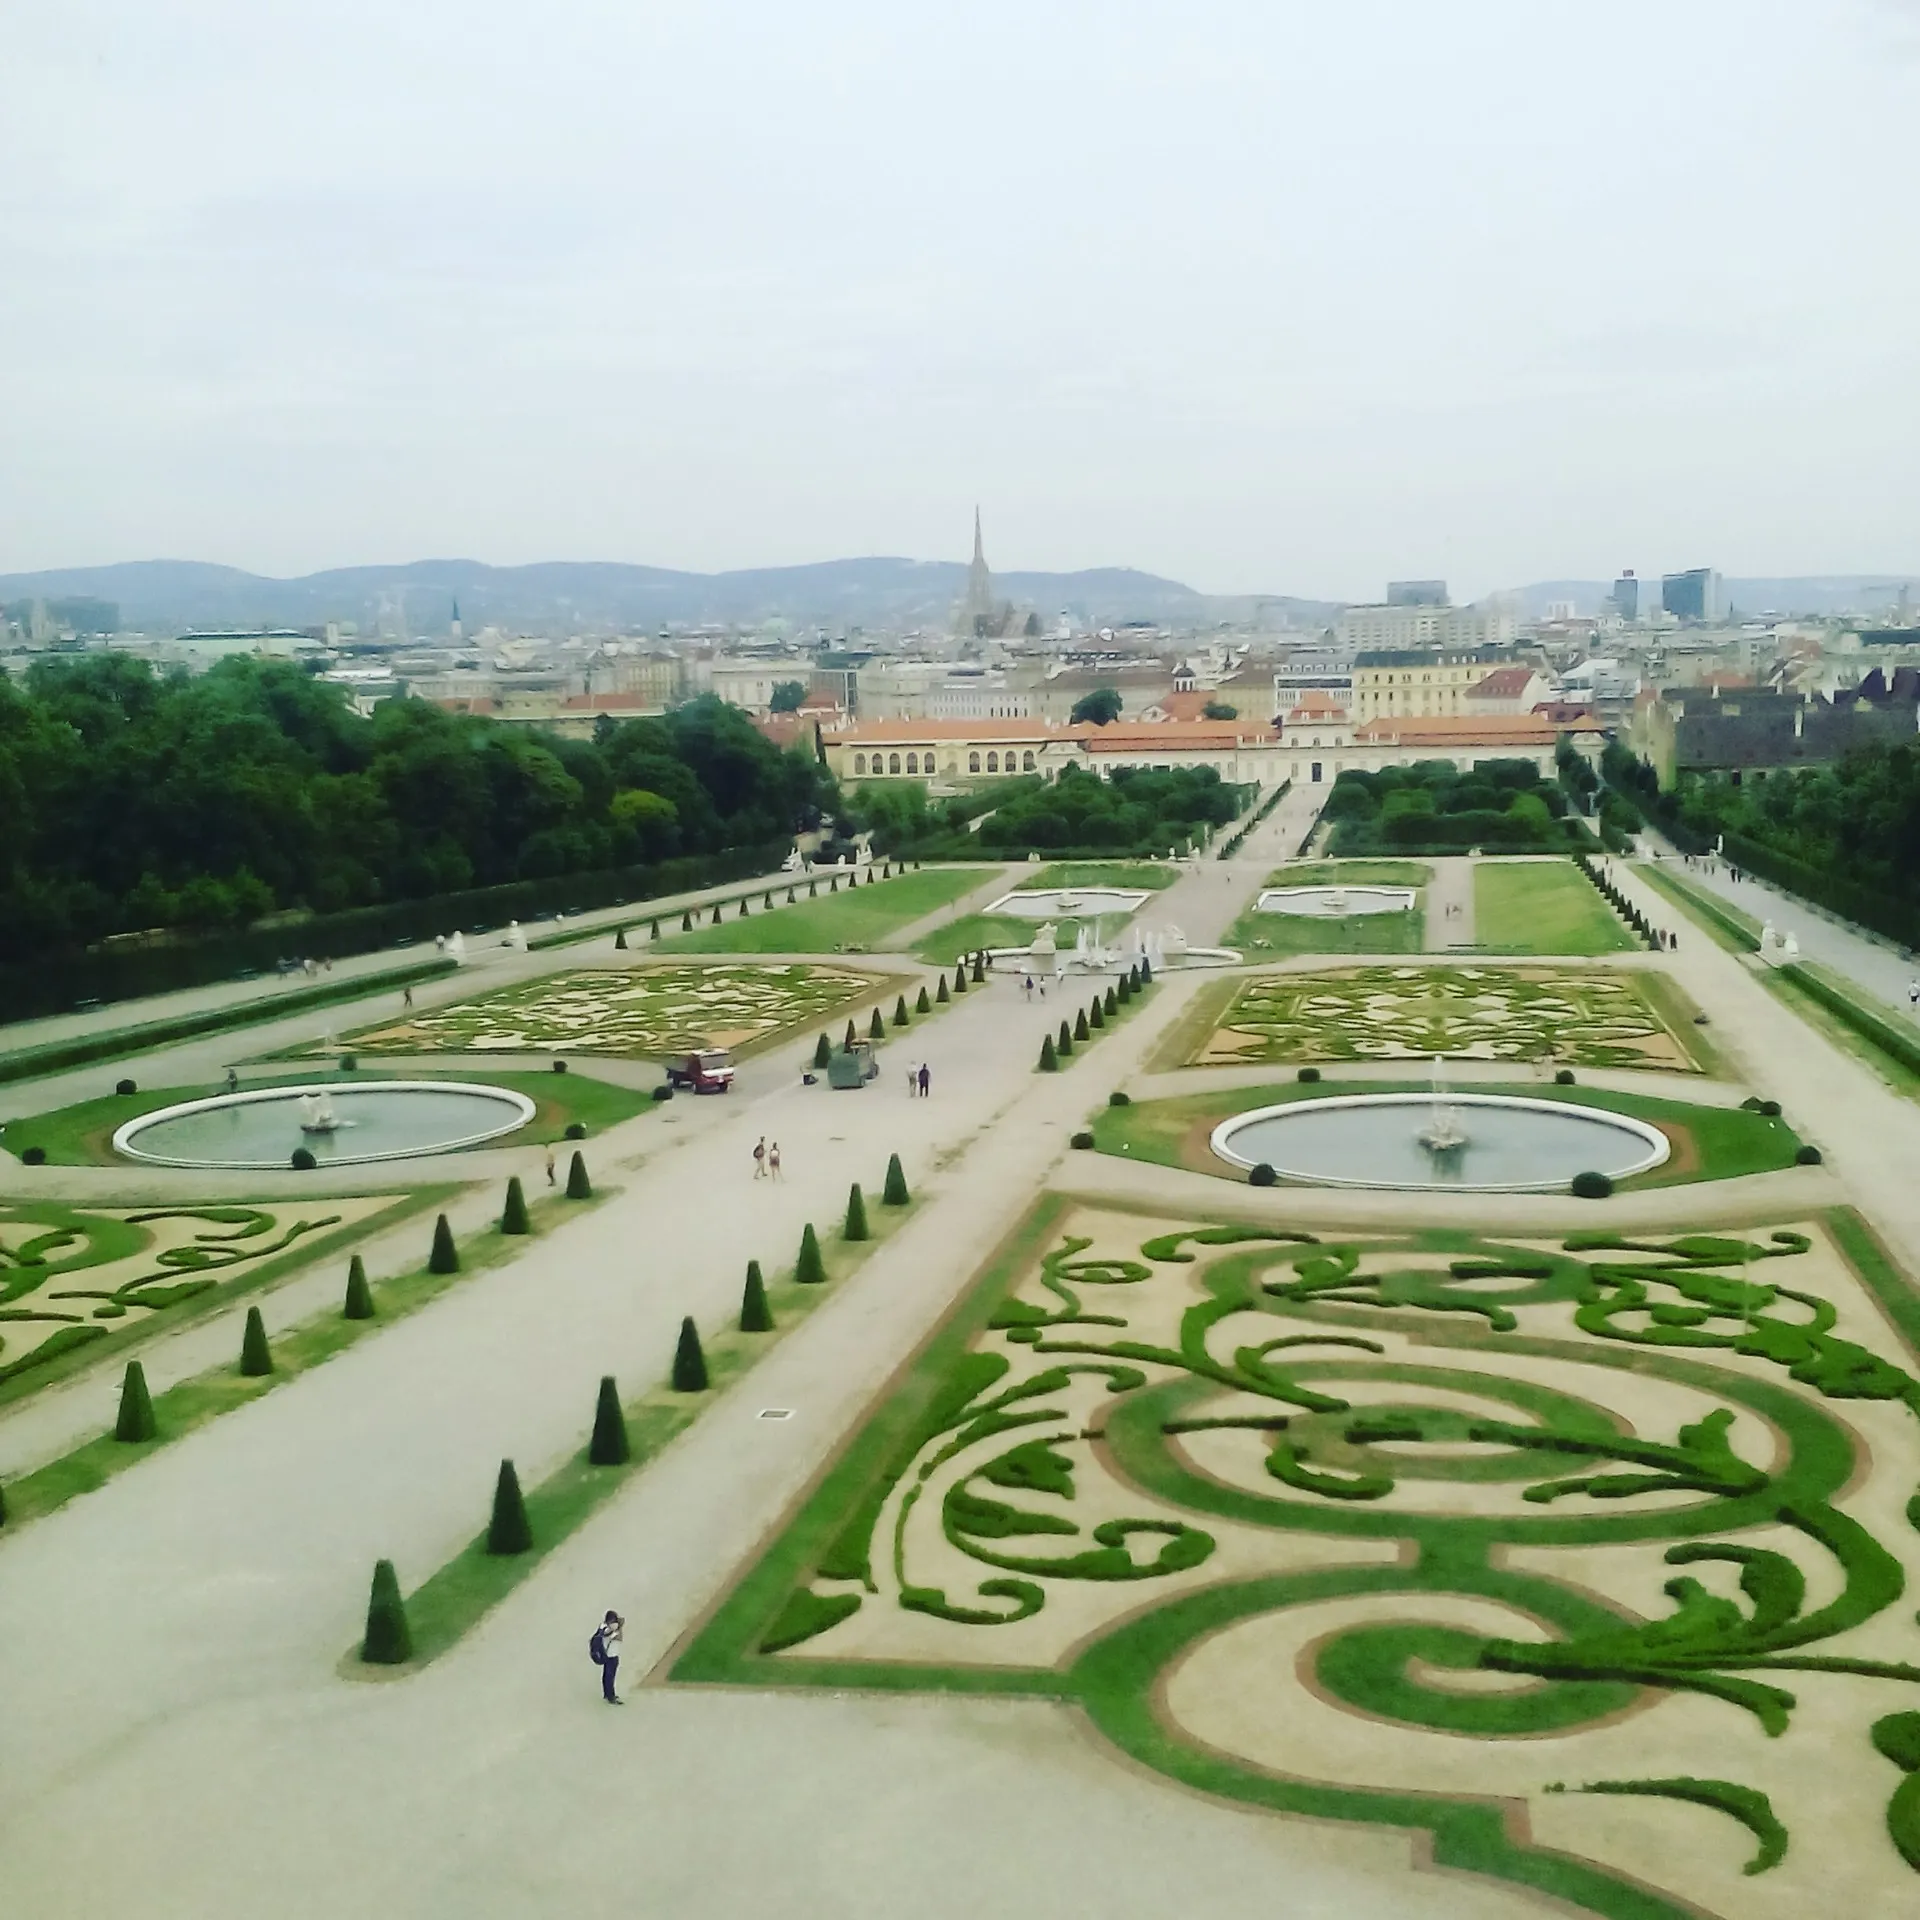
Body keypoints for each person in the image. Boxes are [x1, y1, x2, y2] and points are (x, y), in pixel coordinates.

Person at [592, 1610, 624, 1704]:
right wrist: (612, 1630)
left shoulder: (604, 1627)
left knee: (607, 1676)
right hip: (611, 1656)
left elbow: (622, 1621)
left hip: (610, 1655)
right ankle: (611, 1696)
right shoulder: (606, 1630)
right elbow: (608, 1633)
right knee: (609, 1677)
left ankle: (607, 1694)